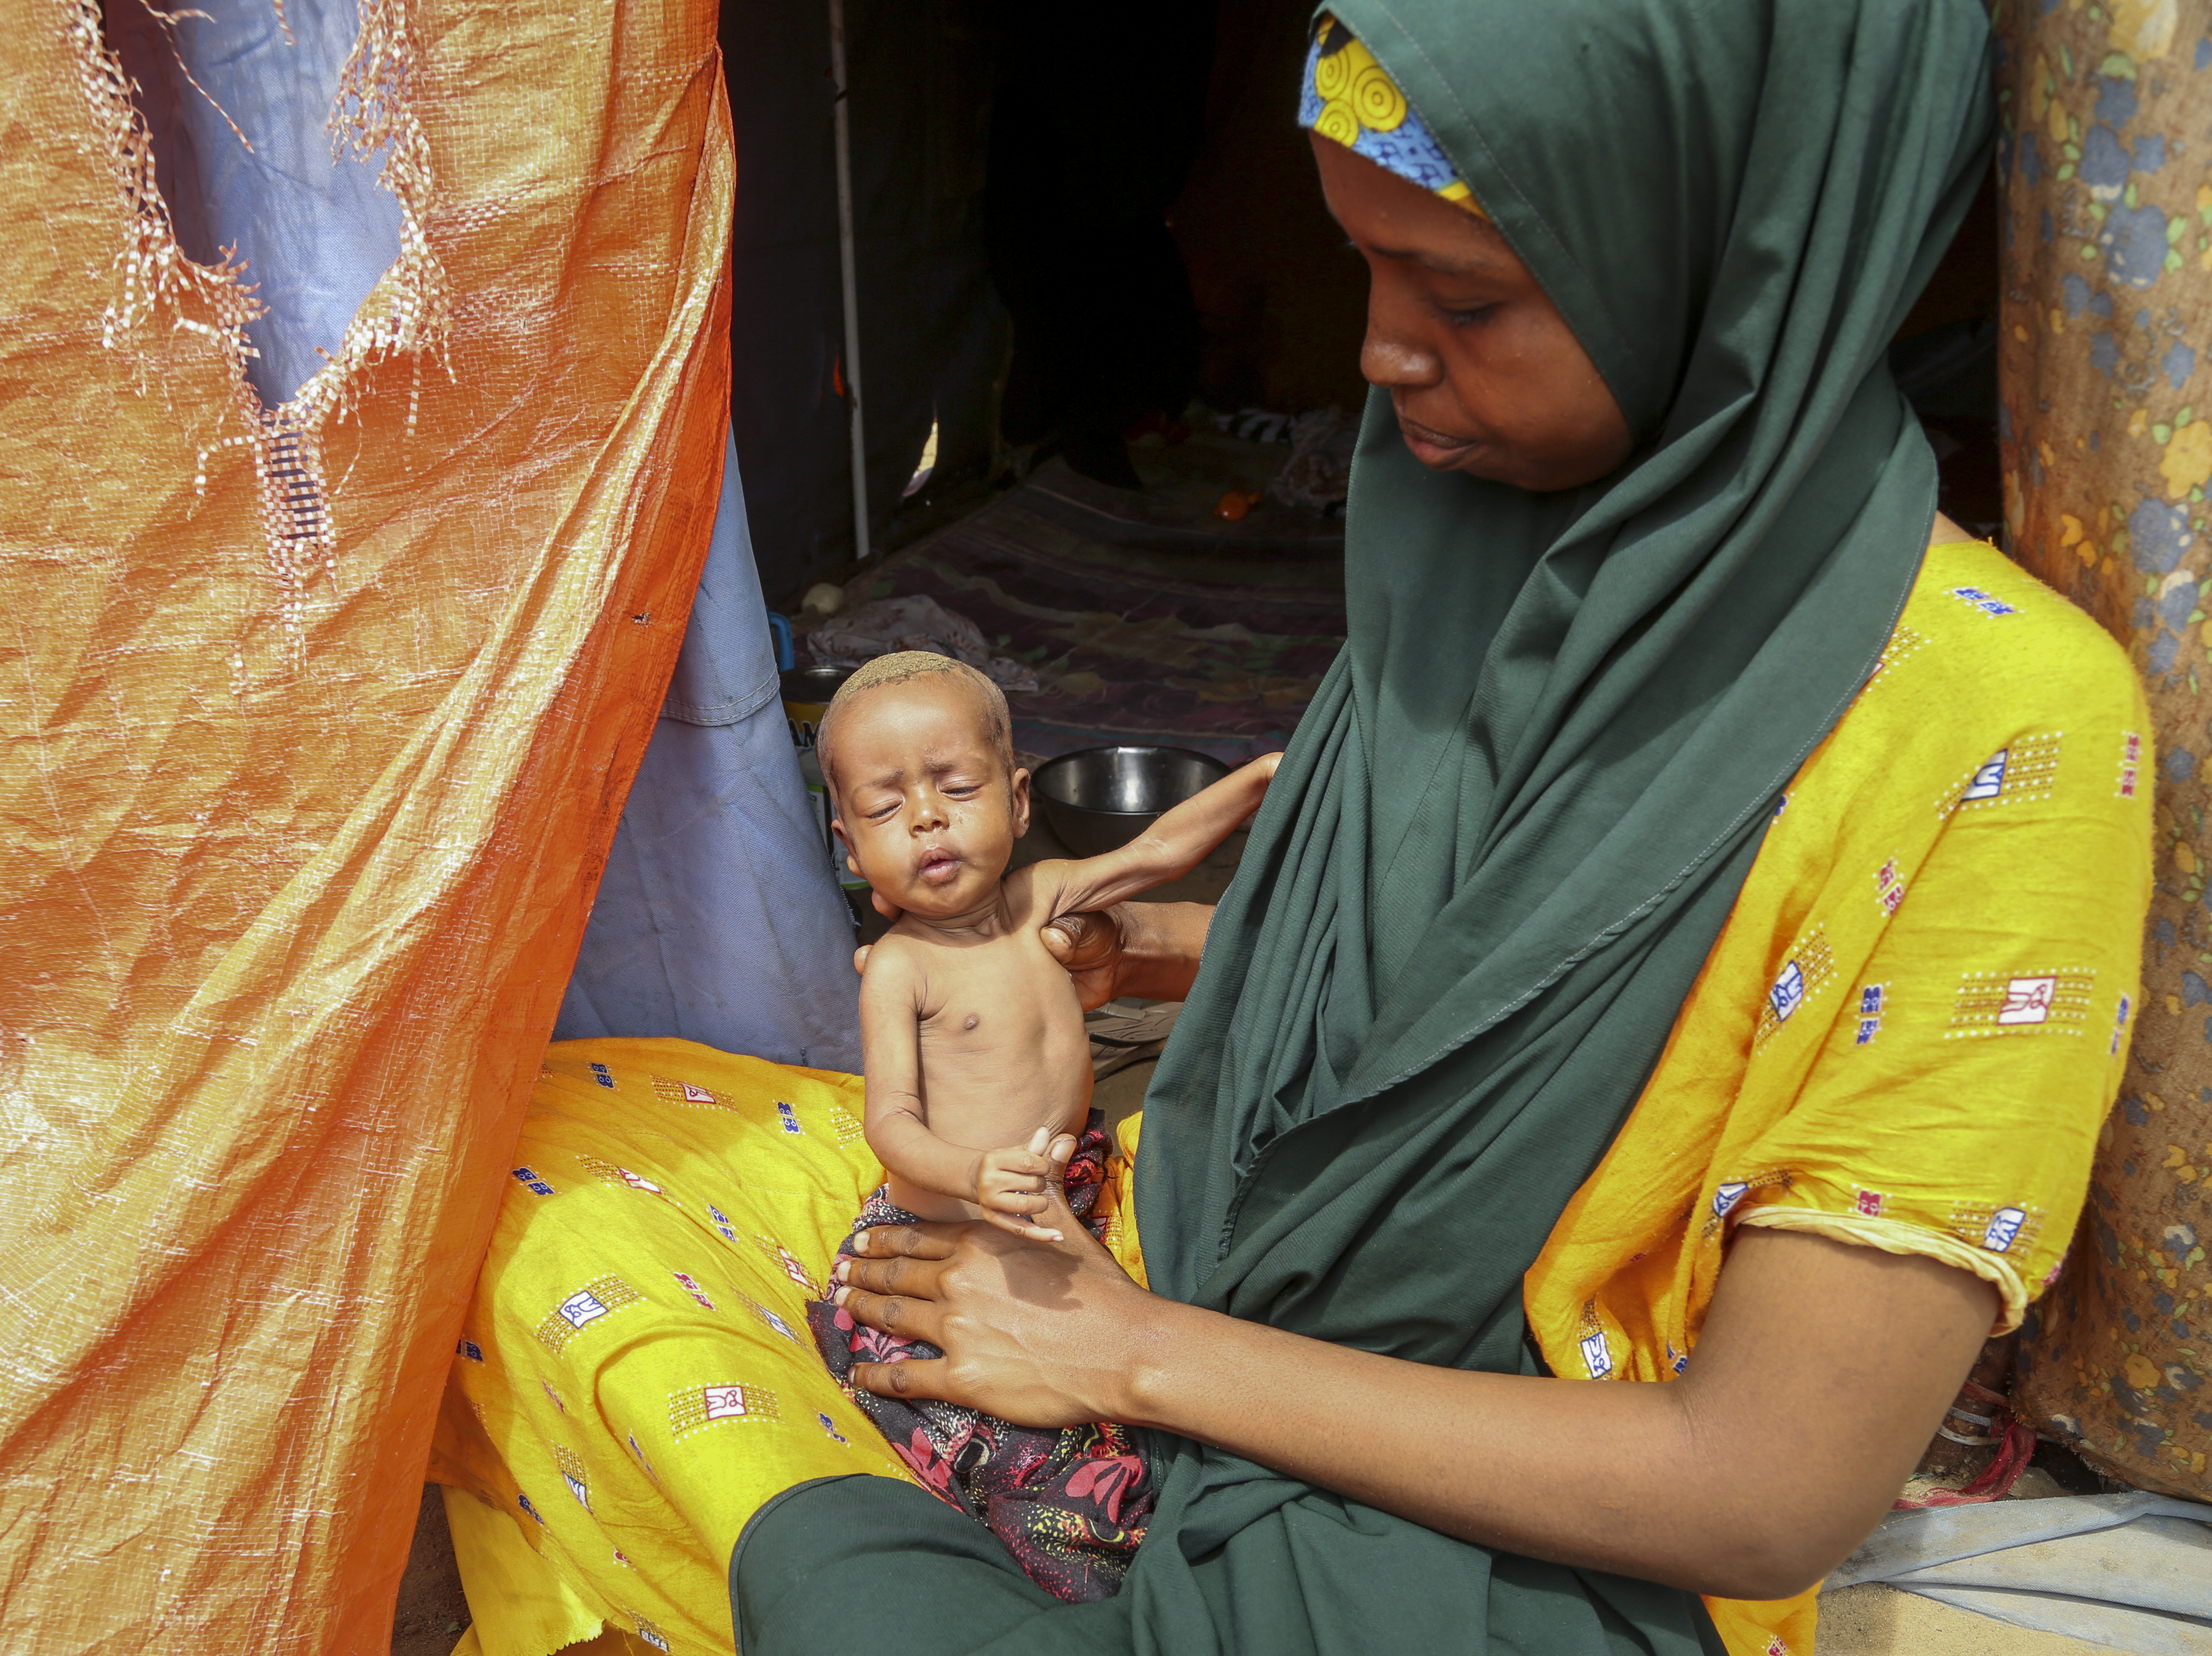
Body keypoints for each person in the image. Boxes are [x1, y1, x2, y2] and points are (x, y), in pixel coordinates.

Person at [431, 4, 2152, 1654]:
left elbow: (1761, 1488)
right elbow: (1485, 990)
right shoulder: (1469, 527)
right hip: (1171, 1241)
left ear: (1736, 257)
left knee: (844, 1548)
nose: (1379, 352)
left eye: (1464, 296)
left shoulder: (1997, 728)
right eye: (1362, 263)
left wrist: (1129, 1356)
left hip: (1505, 1488)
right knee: (536, 1170)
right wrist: (1177, 951)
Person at [804, 650, 1278, 1600]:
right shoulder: (900, 966)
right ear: (850, 848)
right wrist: (972, 1173)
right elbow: (891, 1123)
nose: (927, 817)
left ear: (1019, 801)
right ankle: (1075, 1576)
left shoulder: (1043, 897)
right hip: (961, 1223)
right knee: (1026, 1447)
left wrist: (1261, 779)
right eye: (887, 807)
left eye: (955, 787)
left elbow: (1156, 852)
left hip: (1065, 1188)